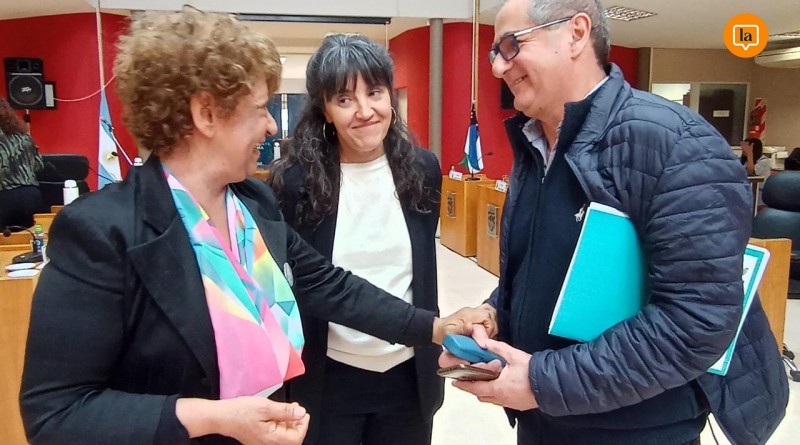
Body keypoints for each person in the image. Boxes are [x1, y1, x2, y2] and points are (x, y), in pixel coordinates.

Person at [19, 9, 494, 445]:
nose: (271, 126)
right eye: (260, 108)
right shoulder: (102, 232)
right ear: (207, 114)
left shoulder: (253, 203)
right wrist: (212, 418)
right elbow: (56, 414)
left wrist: (435, 327)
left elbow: (330, 286)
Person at [440, 0, 789, 444]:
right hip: (545, 417)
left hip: (638, 427)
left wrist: (544, 381)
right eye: (494, 52)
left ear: (576, 33)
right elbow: (548, 268)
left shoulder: (677, 143)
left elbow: (697, 320)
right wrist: (495, 313)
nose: (497, 67)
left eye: (511, 45)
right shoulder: (535, 147)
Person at [270, 34, 443, 445]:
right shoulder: (295, 183)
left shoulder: (422, 169)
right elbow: (302, 285)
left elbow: (421, 271)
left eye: (375, 93)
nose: (365, 111)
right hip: (328, 376)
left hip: (408, 375)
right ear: (325, 110)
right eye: (345, 99)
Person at [0, 97, 43, 229]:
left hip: (5, 198)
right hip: (32, 196)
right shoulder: (24, 137)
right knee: (31, 238)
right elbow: (39, 165)